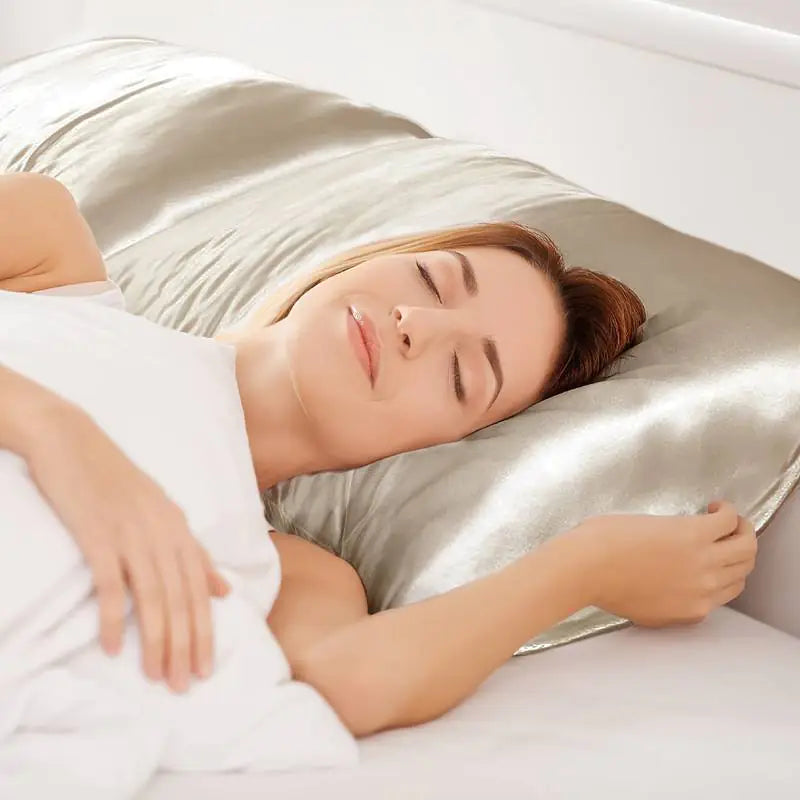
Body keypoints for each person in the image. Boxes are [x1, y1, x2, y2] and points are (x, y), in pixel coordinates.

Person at [0, 171, 757, 738]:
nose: (417, 325)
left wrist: (582, 567)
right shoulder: (47, 258)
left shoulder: (295, 574)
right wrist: (52, 427)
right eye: (432, 280)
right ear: (367, 258)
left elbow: (346, 684)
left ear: (437, 446)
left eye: (461, 374)